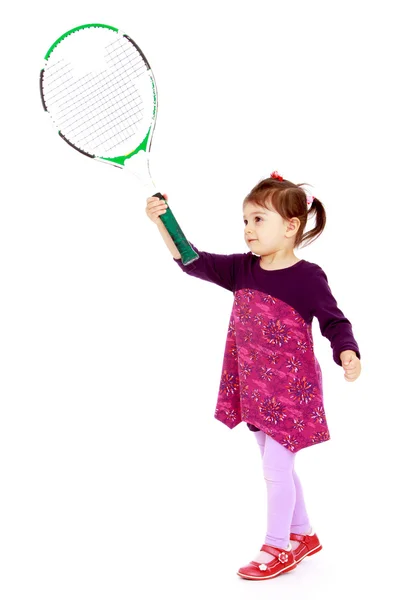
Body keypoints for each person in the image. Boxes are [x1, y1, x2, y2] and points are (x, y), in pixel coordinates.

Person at [145, 171, 361, 580]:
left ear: (291, 226)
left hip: (290, 393)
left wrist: (346, 352)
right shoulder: (242, 269)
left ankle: (277, 547)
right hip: (255, 390)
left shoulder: (308, 277)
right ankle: (303, 534)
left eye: (259, 219)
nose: (248, 229)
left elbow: (335, 321)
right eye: (245, 220)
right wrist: (163, 221)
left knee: (276, 470)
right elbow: (192, 260)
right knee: (276, 464)